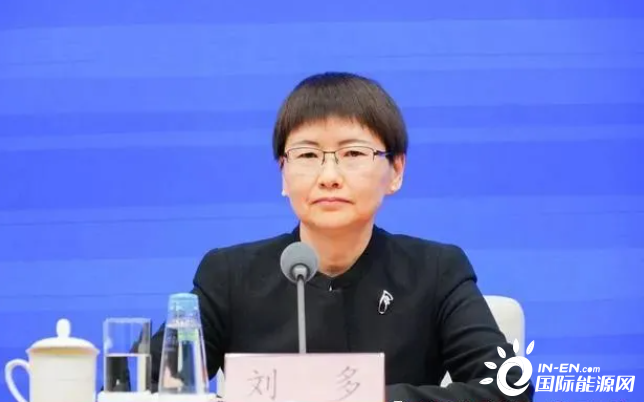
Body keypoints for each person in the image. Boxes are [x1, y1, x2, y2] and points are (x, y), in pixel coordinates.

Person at [149, 72, 534, 402]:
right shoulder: (229, 275)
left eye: (353, 153)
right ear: (283, 174)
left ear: (396, 171)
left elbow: (508, 387)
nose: (329, 176)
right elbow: (147, 385)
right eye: (307, 155)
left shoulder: (435, 271)